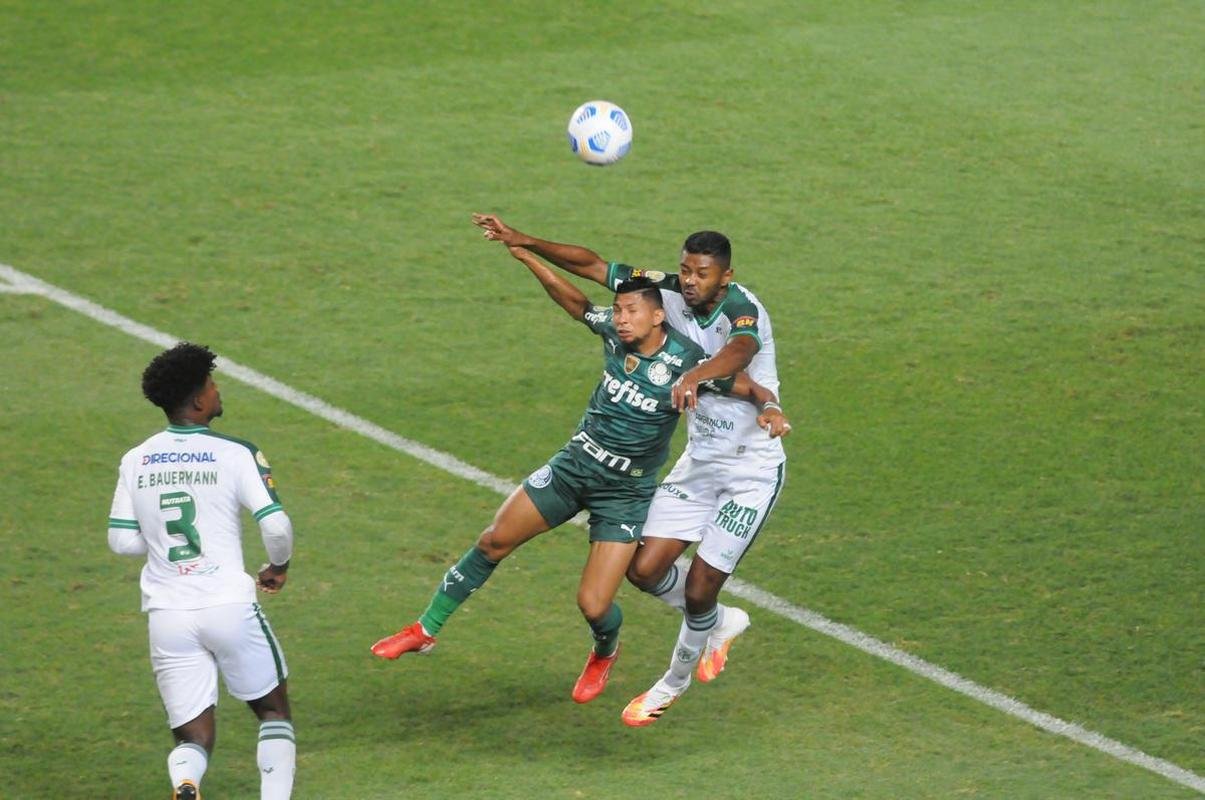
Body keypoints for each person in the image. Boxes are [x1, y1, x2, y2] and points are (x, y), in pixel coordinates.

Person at [371, 245, 785, 707]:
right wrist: (529, 259)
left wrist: (769, 409)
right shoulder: (615, 332)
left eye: (631, 311)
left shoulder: (690, 361)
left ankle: (606, 650)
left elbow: (750, 384)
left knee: (593, 603)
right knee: (493, 541)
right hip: (575, 466)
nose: (620, 318)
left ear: (657, 318)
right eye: (620, 310)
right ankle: (425, 629)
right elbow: (578, 304)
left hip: (624, 493)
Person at [471, 215, 789, 726]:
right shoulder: (668, 293)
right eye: (685, 270)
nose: (689, 281)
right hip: (700, 463)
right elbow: (594, 266)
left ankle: (670, 684)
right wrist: (523, 239)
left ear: (724, 276)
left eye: (701, 273)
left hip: (750, 469)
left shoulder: (740, 308)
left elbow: (739, 353)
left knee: (703, 584)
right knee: (643, 570)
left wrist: (694, 374)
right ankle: (723, 623)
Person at [107, 343, 296, 799]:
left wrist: (164, 550)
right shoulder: (235, 453)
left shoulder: (137, 459)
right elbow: (275, 524)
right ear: (197, 401)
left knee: (193, 736)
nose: (216, 391)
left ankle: (187, 782)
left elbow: (120, 540)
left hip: (168, 615)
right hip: (228, 604)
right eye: (212, 386)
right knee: (273, 713)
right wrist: (278, 566)